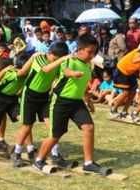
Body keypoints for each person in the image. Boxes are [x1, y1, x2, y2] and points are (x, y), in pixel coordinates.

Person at [33, 34, 105, 174]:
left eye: (94, 53)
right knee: (55, 134)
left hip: (77, 102)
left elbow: (83, 86)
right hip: (60, 101)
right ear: (79, 49)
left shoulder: (88, 66)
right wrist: (73, 73)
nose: (92, 55)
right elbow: (65, 71)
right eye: (89, 52)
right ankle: (39, 160)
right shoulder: (70, 59)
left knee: (89, 127)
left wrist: (89, 101)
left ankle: (88, 163)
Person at [11, 42, 70, 167]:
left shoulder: (57, 63)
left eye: (59, 59)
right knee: (27, 127)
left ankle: (55, 154)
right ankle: (16, 153)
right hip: (29, 96)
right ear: (49, 53)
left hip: (44, 97)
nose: (57, 61)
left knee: (52, 128)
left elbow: (62, 73)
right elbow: (46, 69)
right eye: (55, 58)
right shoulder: (39, 58)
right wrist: (64, 59)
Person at [0, 55, 34, 162]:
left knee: (25, 121)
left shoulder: (27, 74)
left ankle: (31, 149)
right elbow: (21, 73)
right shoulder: (11, 72)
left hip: (12, 99)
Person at [109, 35, 140, 118]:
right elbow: (135, 60)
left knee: (133, 92)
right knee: (126, 92)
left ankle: (124, 112)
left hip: (130, 72)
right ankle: (113, 109)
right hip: (122, 70)